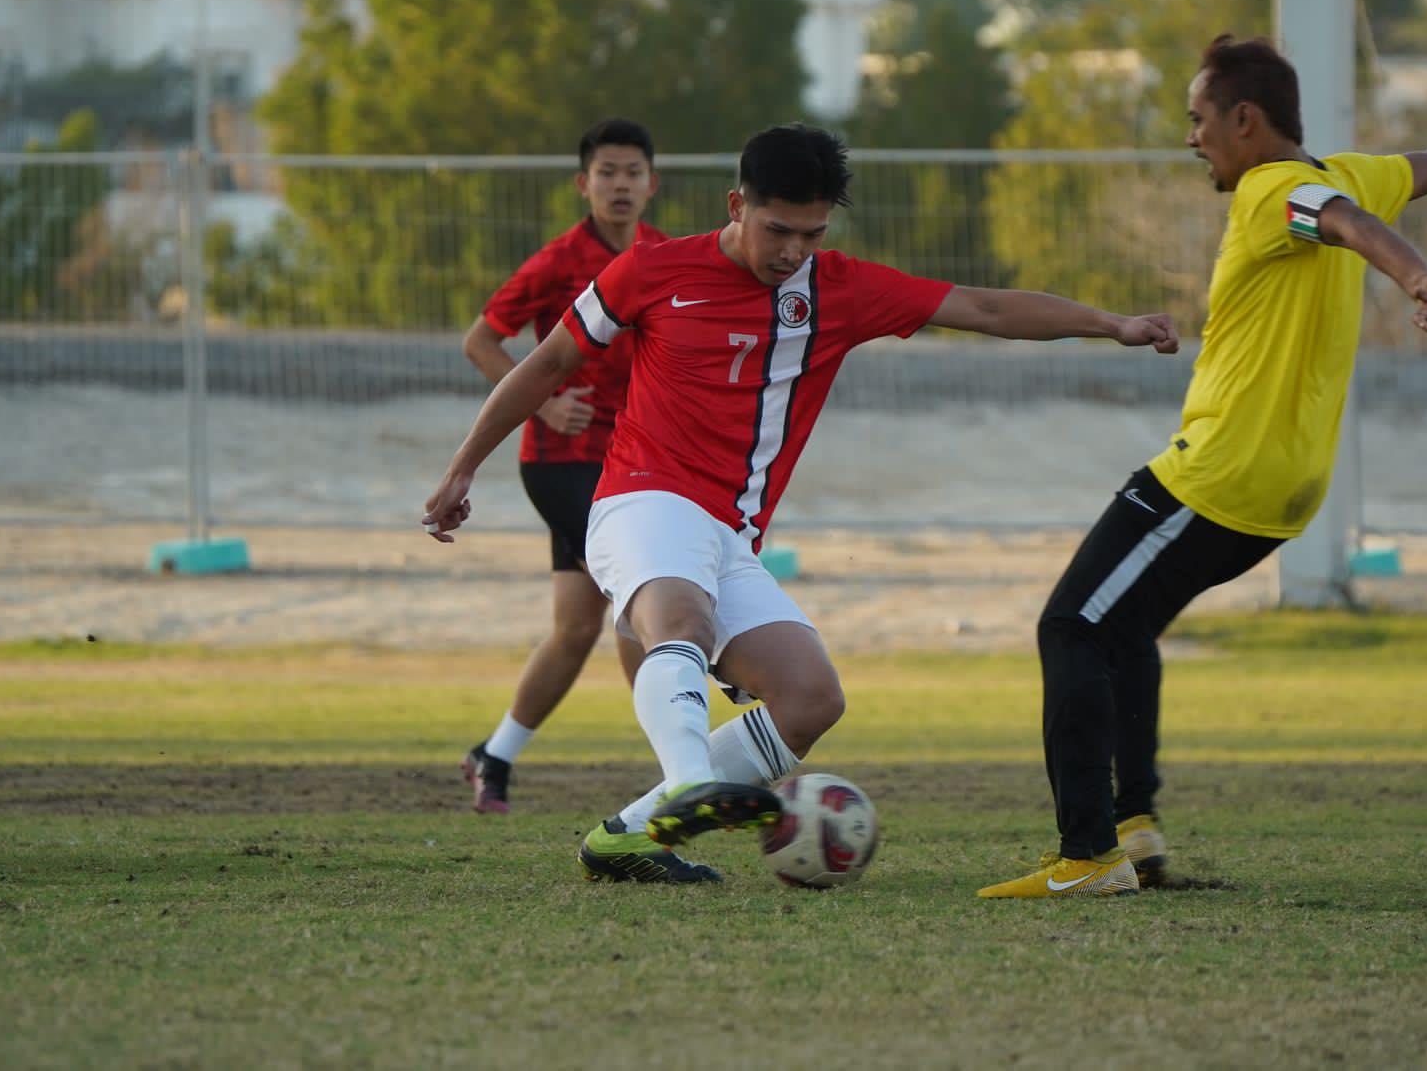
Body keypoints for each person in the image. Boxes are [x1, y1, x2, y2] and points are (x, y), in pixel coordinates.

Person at [423, 122, 1182, 882]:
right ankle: (688, 784)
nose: (792, 251)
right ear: (736, 206)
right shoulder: (650, 270)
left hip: (729, 532)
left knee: (811, 697)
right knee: (677, 619)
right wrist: (463, 470)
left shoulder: (838, 290)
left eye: (811, 234)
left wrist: (1110, 324)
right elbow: (549, 359)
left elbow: (984, 310)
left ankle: (625, 834)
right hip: (639, 501)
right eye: (777, 230)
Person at [978, 34, 1427, 900]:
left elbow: (1344, 224)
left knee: (1069, 628)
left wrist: (1413, 273)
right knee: (1121, 631)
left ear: (1246, 121)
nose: (1192, 139)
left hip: (1218, 475)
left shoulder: (1276, 192)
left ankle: (1087, 856)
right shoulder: (1352, 170)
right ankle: (1135, 830)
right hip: (1287, 492)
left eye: (1199, 120)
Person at [457, 118, 665, 814]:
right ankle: (687, 765)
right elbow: (481, 340)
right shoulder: (557, 262)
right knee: (642, 592)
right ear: (584, 184)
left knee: (576, 629)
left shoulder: (666, 256)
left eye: (633, 172)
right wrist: (542, 404)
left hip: (633, 464)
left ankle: (495, 756)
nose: (620, 185)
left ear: (651, 184)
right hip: (562, 464)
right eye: (607, 172)